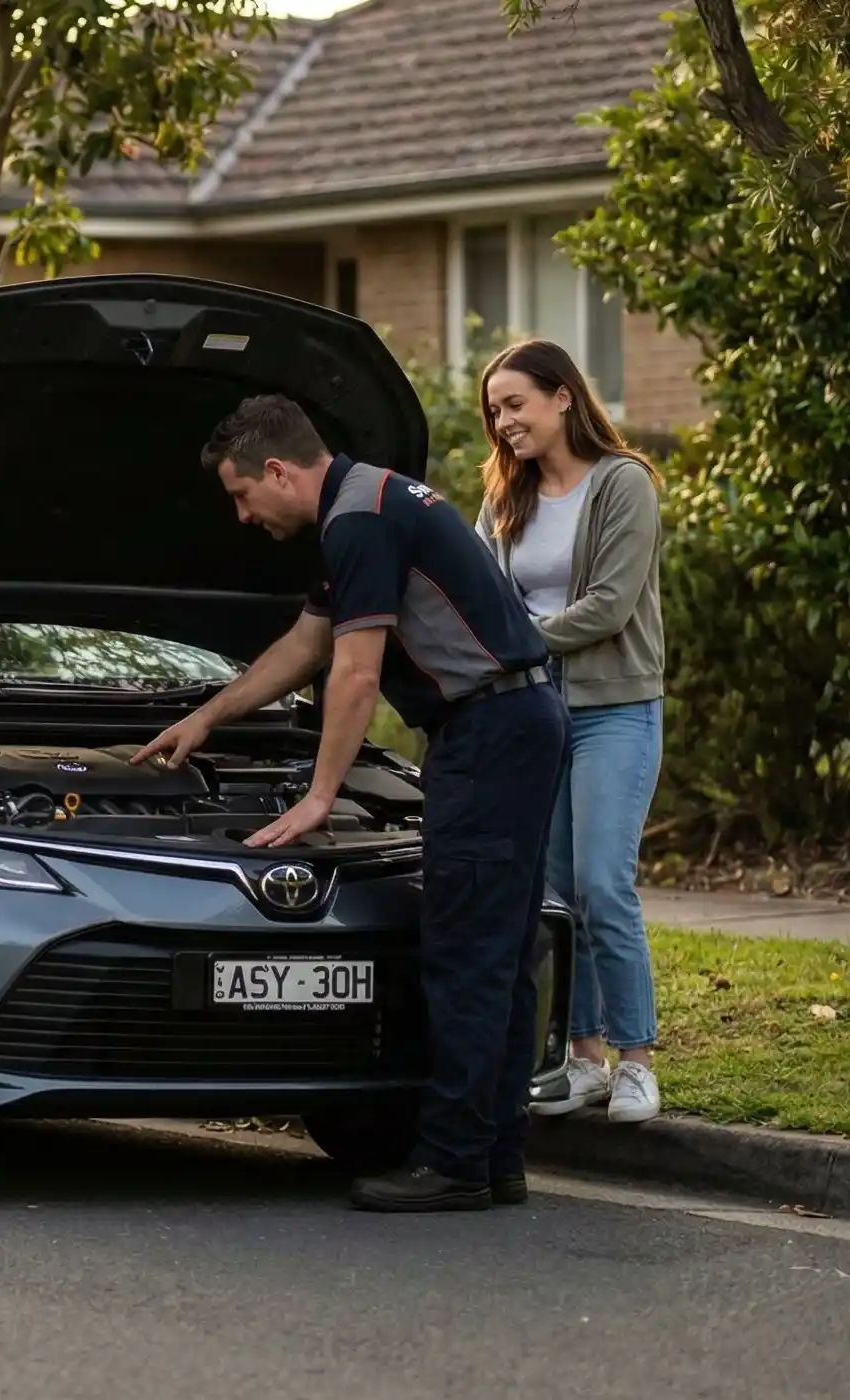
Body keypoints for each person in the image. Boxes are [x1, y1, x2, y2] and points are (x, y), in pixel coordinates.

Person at [134, 394, 569, 1213]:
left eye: (240, 496)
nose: (241, 516)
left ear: (277, 471)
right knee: (500, 952)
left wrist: (319, 796)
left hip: (490, 732)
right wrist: (206, 716)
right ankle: (493, 1156)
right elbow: (307, 644)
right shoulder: (365, 499)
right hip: (515, 720)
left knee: (467, 951)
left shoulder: (357, 520)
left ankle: (452, 1163)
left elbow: (356, 671)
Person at [472, 340, 668, 1125]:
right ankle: (582, 1059)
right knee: (553, 893)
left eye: (515, 403)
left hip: (615, 709)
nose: (504, 421)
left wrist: (508, 641)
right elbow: (480, 594)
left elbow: (610, 607)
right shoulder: (504, 497)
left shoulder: (624, 485)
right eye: (494, 411)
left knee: (602, 886)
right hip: (536, 711)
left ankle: (637, 1061)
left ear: (562, 397)